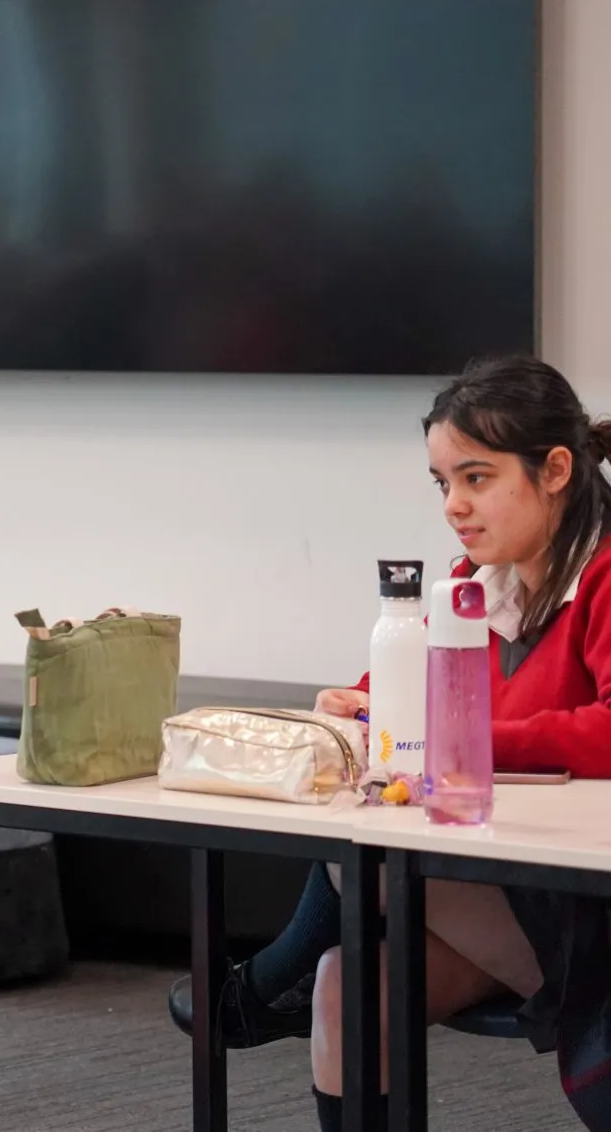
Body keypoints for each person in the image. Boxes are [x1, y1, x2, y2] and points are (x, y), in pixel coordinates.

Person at [179, 355, 611, 1129]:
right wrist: (361, 708)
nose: (454, 505)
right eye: (443, 483)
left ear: (554, 470)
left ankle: (264, 985)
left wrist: (464, 740)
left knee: (367, 843)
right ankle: (280, 985)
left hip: (586, 900)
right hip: (503, 889)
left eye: (476, 478)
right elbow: (415, 706)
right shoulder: (474, 584)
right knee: (349, 986)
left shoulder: (605, 575)